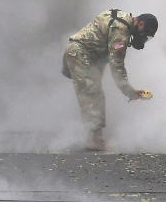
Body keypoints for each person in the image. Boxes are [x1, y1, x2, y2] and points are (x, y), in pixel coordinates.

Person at [61, 9, 158, 151]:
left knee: (93, 92)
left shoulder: (121, 18)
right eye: (145, 34)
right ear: (140, 23)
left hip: (81, 52)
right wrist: (129, 91)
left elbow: (99, 41)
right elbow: (117, 65)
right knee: (93, 93)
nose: (143, 39)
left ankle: (91, 134)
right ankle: (94, 140)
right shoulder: (121, 31)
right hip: (80, 54)